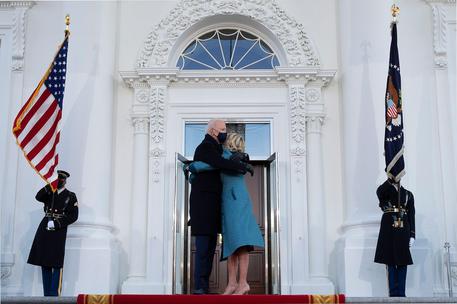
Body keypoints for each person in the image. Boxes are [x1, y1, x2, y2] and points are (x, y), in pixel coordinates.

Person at [187, 133, 264, 295]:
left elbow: (207, 165)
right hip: (231, 202)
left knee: (240, 243)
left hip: (235, 202)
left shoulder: (227, 156)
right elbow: (214, 166)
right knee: (232, 244)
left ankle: (241, 283)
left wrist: (191, 167)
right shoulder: (233, 158)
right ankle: (233, 283)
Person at [27, 170, 79, 296]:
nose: (59, 181)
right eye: (57, 179)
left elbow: (73, 216)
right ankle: (47, 296)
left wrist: (57, 223)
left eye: (61, 179)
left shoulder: (71, 196)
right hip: (45, 227)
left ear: (65, 180)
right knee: (44, 261)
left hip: (58, 230)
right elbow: (38, 197)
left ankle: (54, 295)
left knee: (56, 263)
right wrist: (49, 185)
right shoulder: (50, 192)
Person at [374, 178, 415, 297]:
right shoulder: (385, 191)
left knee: (403, 260)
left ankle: (401, 294)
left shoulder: (408, 194)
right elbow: (379, 192)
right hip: (389, 228)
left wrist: (412, 235)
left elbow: (411, 215)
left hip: (403, 228)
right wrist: (389, 181)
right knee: (390, 261)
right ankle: (393, 294)